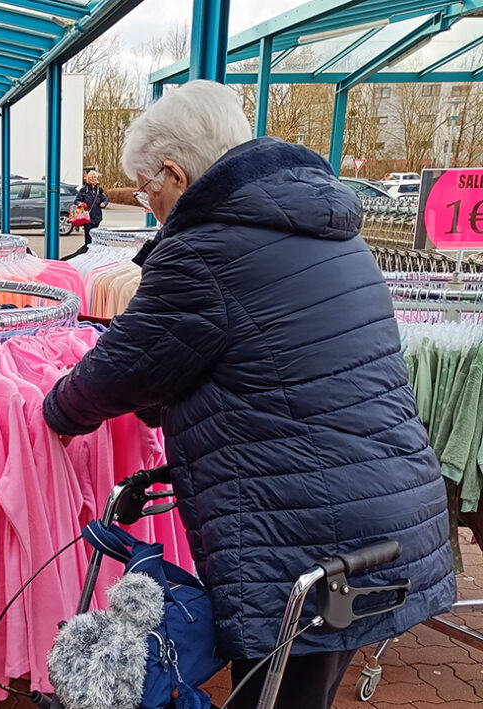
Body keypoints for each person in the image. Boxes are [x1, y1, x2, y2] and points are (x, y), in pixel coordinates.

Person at [43, 80, 454, 709]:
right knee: (304, 685)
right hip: (383, 509)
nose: (151, 207)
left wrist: (57, 410)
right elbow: (252, 359)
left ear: (176, 175)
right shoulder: (332, 233)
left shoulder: (203, 251)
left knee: (276, 693)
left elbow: (125, 367)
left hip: (302, 531)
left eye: (147, 191)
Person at [75, 169, 109, 245]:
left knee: (96, 235)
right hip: (87, 217)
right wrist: (80, 203)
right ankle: (88, 248)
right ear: (88, 179)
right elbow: (76, 201)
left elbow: (105, 200)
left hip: (97, 217)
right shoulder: (83, 190)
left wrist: (104, 203)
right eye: (92, 177)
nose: (94, 179)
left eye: (95, 177)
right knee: (88, 236)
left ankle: (94, 248)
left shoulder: (99, 190)